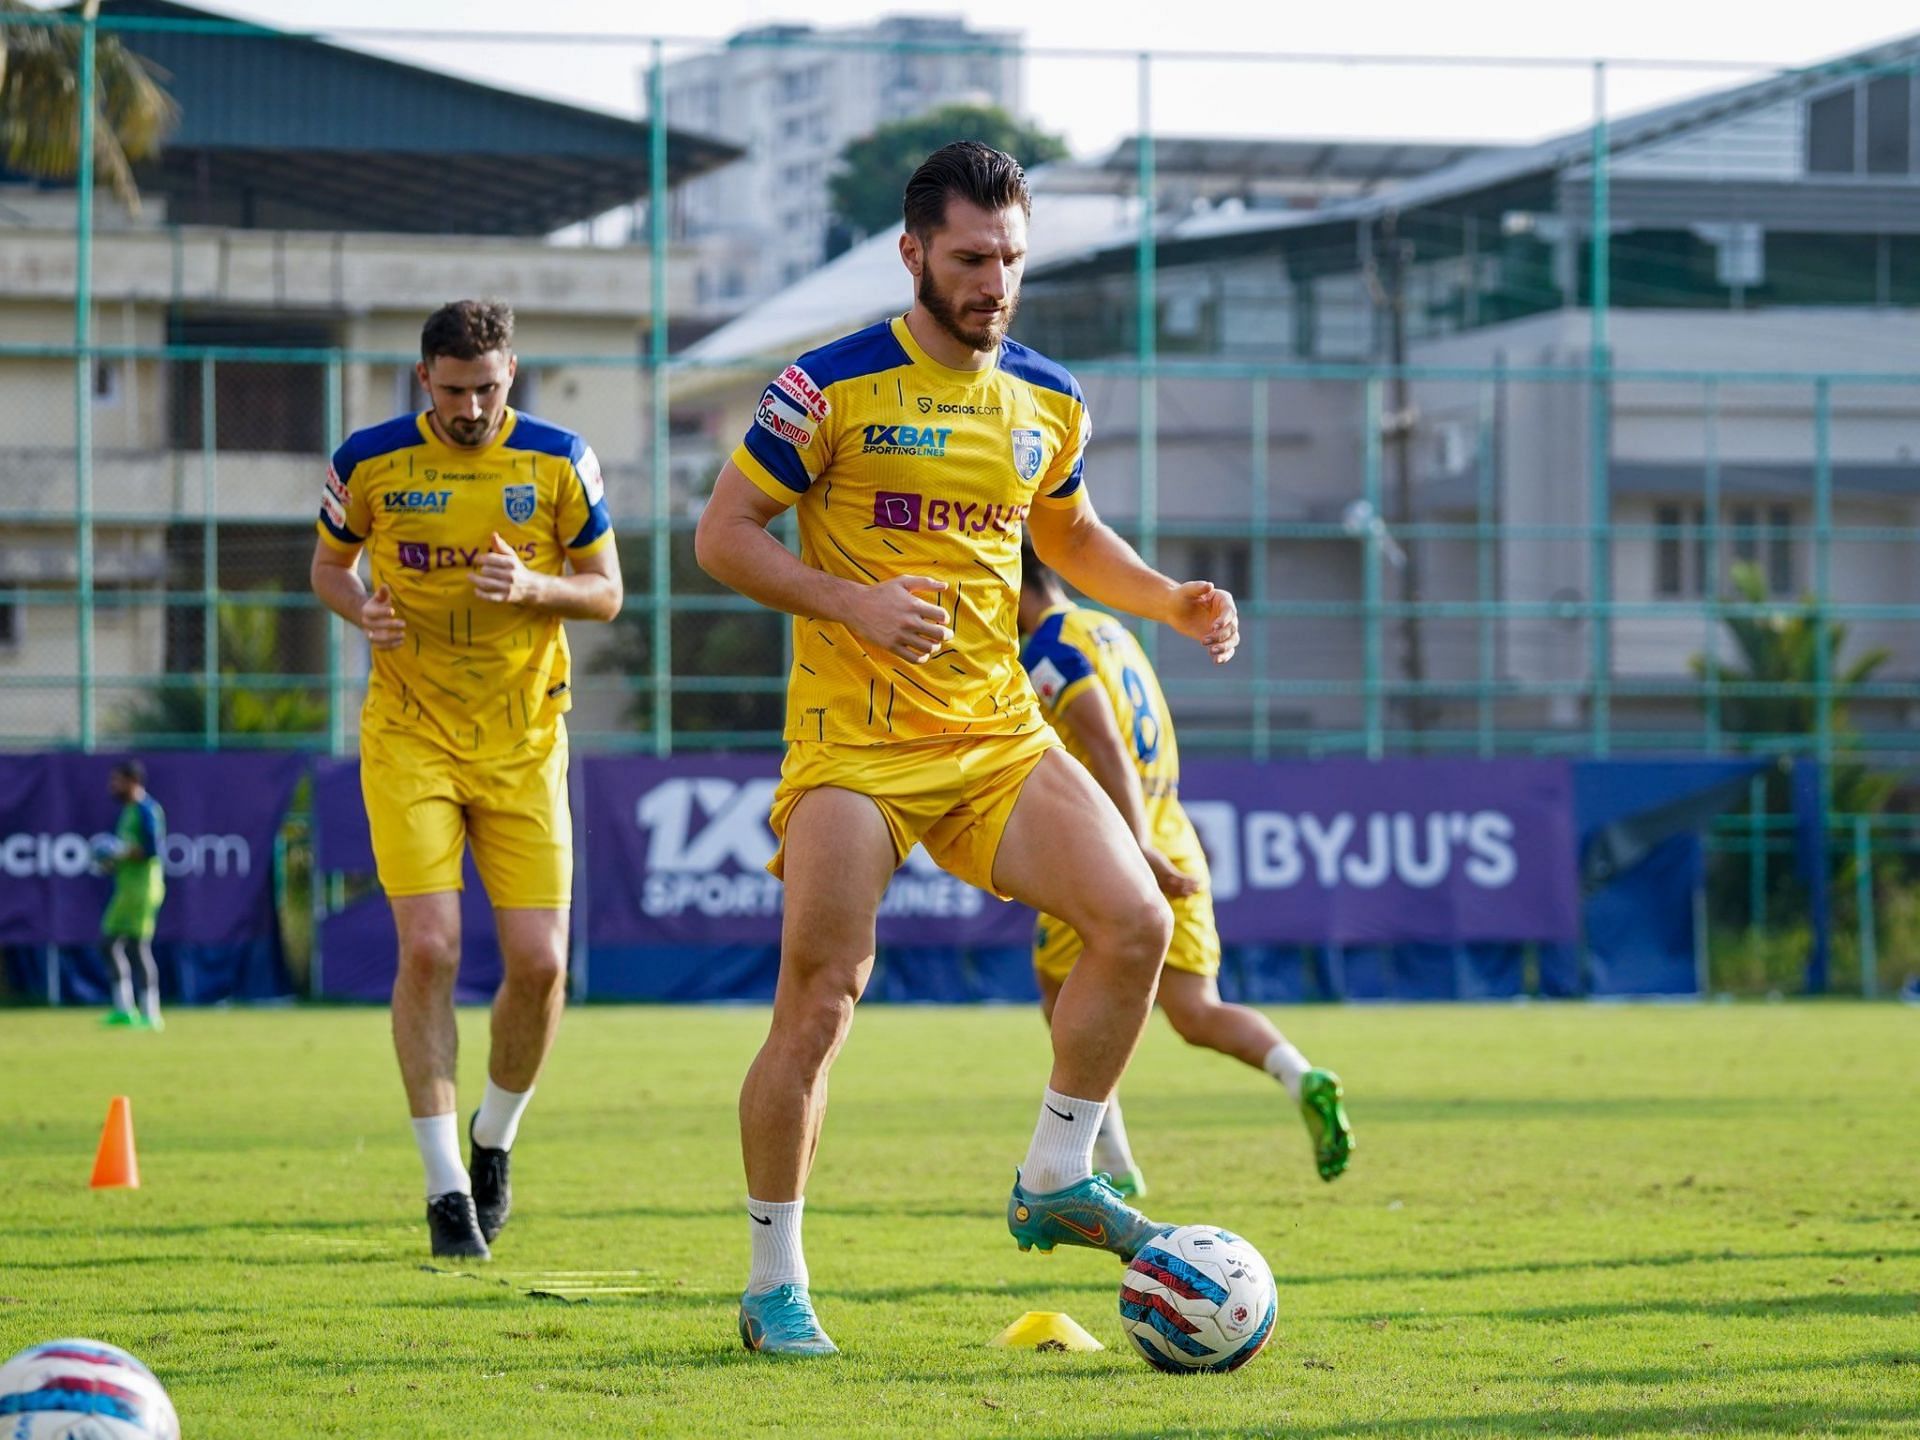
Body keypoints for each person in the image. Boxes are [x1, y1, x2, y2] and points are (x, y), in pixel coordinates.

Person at [694, 141, 1240, 1357]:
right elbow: (723, 537)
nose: (995, 281)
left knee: (1136, 920)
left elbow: (1073, 531)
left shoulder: (1048, 395)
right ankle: (774, 1280)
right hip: (855, 745)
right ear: (913, 255)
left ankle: (1054, 1174)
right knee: (821, 1003)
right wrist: (851, 602)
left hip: (994, 730)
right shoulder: (826, 385)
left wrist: (1167, 599)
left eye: (1012, 259)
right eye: (971, 258)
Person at [308, 300, 622, 1261]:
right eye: (454, 391)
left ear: (512, 373)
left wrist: (535, 590)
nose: (474, 407)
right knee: (433, 948)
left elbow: (606, 590)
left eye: (489, 387)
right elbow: (327, 567)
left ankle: (495, 1139)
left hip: (526, 741)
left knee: (540, 965)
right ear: (423, 381)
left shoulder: (561, 460)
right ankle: (446, 1190)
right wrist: (364, 612)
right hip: (408, 735)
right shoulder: (367, 461)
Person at [1017, 544, 1353, 1193]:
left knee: (1063, 997)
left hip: (1112, 834)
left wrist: (1134, 842)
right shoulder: (1110, 629)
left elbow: (1105, 741)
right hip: (1171, 822)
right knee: (1197, 1010)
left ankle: (1108, 1165)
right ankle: (1299, 1074)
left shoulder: (1048, 649)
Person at [98, 759, 165, 1031]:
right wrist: (111, 861)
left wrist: (118, 852)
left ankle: (150, 1013)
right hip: (127, 889)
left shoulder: (146, 810)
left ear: (132, 782)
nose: (112, 786)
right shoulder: (128, 812)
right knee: (110, 945)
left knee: (136, 948)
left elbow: (151, 850)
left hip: (142, 889)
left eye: (117, 781)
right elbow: (129, 851)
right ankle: (125, 1009)